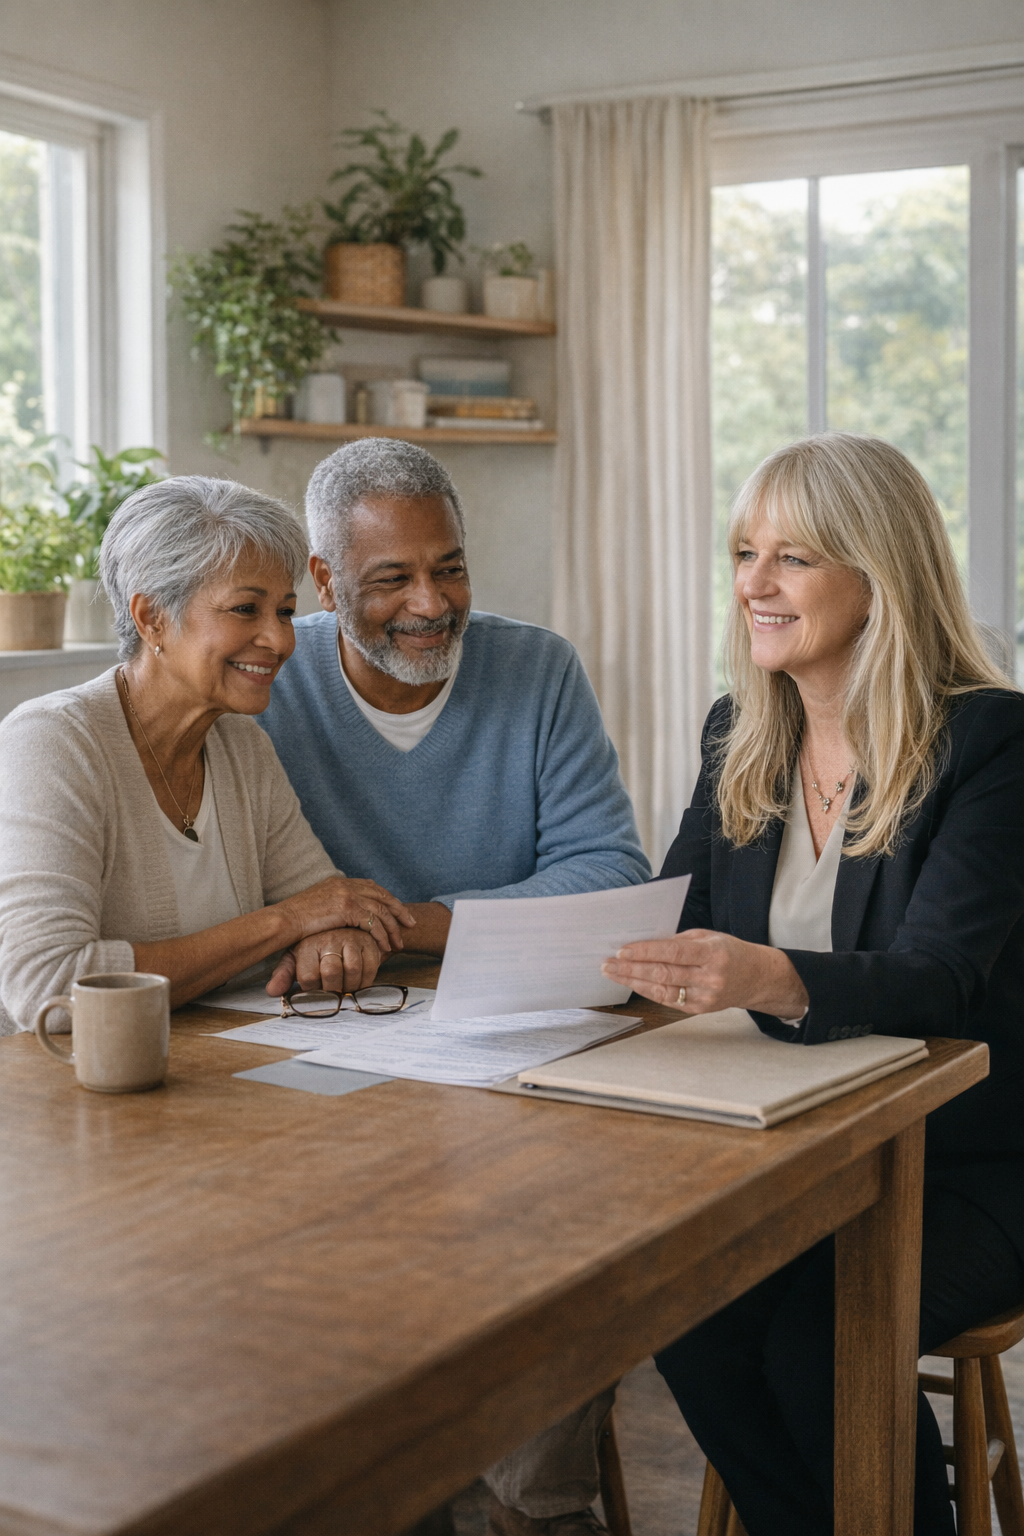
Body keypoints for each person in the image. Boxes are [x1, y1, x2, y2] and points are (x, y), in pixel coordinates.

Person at [602, 433, 1024, 1536]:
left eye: (791, 558)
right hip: (792, 1146)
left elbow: (937, 982)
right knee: (688, 1320)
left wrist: (771, 976)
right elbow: (676, 922)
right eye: (745, 553)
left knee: (817, 1351)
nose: (753, 584)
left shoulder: (990, 743)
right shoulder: (738, 733)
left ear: (875, 573)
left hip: (966, 1155)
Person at [259, 439, 651, 1536]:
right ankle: (393, 1491)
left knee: (558, 1223)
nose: (431, 604)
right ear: (326, 585)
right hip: (333, 1065)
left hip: (503, 1049)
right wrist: (322, 925)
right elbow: (258, 896)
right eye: (391, 579)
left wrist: (397, 921)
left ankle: (535, 1511)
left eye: (451, 567)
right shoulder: (269, 683)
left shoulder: (537, 669)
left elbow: (607, 871)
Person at [0, 476, 415, 1038]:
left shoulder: (241, 745)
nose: (279, 639)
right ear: (152, 619)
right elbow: (46, 985)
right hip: (80, 1094)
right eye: (246, 609)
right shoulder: (53, 742)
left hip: (222, 1072)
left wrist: (332, 939)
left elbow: (327, 902)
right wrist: (286, 924)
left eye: (286, 611)